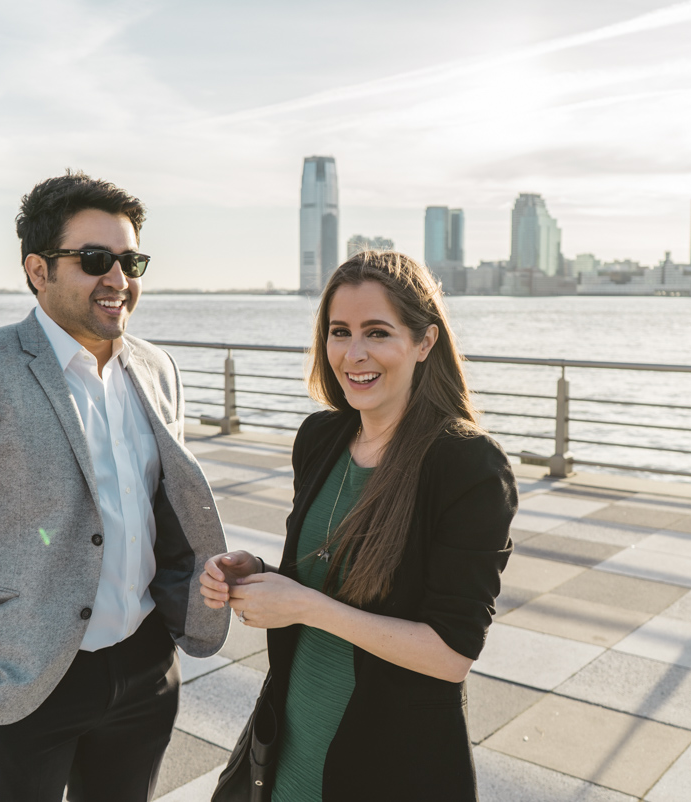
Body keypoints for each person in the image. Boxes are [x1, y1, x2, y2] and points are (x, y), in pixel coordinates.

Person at [0, 170, 230, 802]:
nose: (118, 279)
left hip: (144, 668)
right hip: (17, 684)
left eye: (130, 259)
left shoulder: (157, 368)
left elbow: (160, 516)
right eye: (94, 260)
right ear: (38, 270)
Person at [200, 251, 517, 802]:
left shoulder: (467, 466)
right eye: (339, 331)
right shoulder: (320, 438)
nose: (354, 353)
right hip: (286, 751)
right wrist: (257, 575)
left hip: (388, 766)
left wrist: (302, 606)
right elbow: (331, 581)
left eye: (377, 332)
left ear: (424, 342)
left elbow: (451, 654)